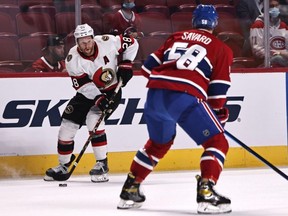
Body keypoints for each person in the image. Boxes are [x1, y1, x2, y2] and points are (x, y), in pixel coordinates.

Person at [117, 4, 233, 214]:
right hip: (186, 96)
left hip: (155, 94)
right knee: (217, 141)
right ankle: (206, 192)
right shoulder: (221, 48)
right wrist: (216, 113)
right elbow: (218, 91)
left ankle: (130, 190)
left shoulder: (176, 36)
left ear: (193, 22)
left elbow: (147, 68)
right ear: (215, 24)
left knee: (158, 143)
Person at [44, 23, 139, 182]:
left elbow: (133, 43)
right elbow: (82, 85)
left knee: (93, 120)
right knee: (67, 125)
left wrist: (126, 63)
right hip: (86, 94)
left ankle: (102, 164)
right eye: (82, 42)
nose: (86, 45)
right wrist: (97, 97)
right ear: (77, 42)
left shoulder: (107, 42)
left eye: (88, 41)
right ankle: (63, 165)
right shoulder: (72, 59)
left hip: (111, 91)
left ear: (93, 38)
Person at [250, 0, 288, 67]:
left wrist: (281, 53)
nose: (274, 9)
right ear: (265, 8)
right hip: (265, 62)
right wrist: (273, 53)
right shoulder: (258, 25)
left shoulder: (284, 26)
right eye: (271, 6)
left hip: (284, 59)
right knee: (278, 58)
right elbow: (256, 49)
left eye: (276, 6)